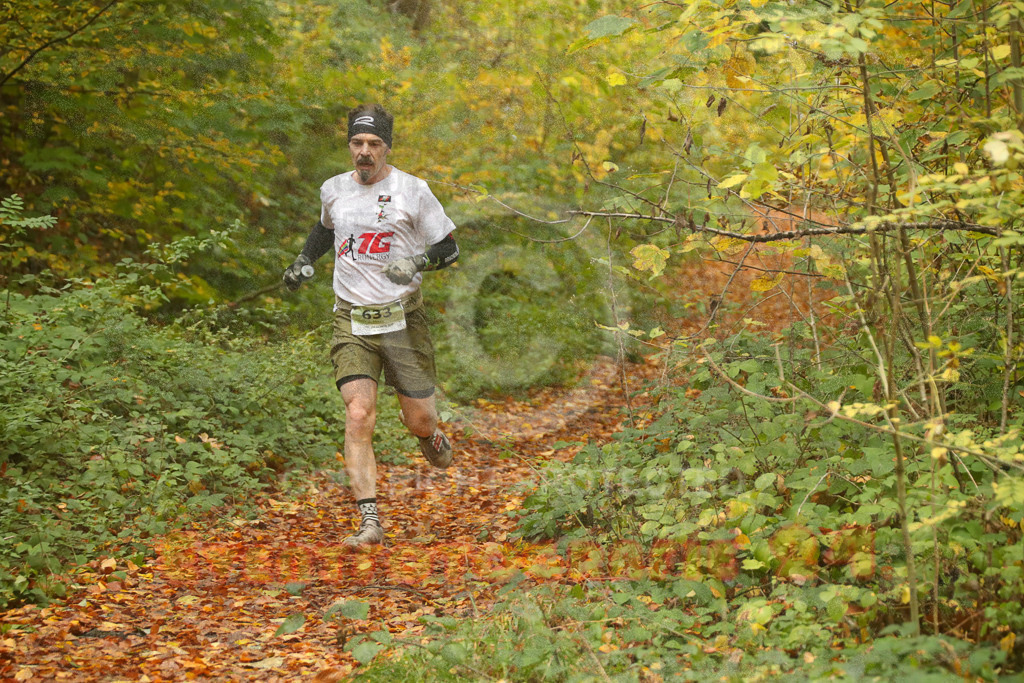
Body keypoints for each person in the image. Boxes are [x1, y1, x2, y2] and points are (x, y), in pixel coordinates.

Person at [282, 103, 459, 548]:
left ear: (387, 148)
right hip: (351, 318)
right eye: (357, 143)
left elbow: (450, 249)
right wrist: (304, 260)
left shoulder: (413, 191)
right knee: (358, 413)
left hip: (403, 319)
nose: (364, 152)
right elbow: (326, 230)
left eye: (374, 144)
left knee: (417, 418)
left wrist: (417, 260)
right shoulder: (334, 189)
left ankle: (429, 434)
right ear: (349, 146)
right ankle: (370, 521)